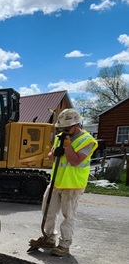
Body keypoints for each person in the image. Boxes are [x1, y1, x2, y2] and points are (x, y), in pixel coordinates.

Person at [28, 108, 97, 256]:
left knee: (68, 215)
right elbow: (51, 158)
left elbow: (75, 161)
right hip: (56, 182)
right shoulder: (61, 137)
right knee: (48, 211)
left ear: (76, 124)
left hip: (73, 185)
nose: (64, 130)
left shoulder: (87, 140)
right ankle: (49, 237)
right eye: (62, 128)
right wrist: (54, 153)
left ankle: (65, 244)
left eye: (67, 128)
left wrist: (67, 147)